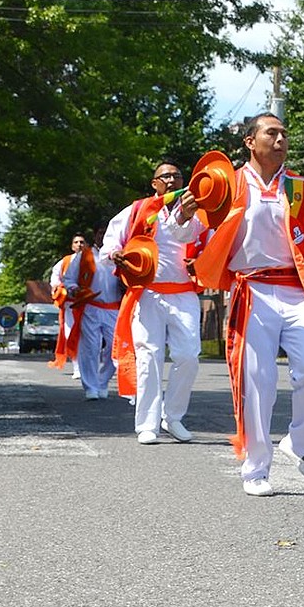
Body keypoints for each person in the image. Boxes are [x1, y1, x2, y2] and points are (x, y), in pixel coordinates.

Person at [192, 113, 304, 498]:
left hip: (296, 291)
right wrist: (184, 217)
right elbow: (196, 229)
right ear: (250, 141)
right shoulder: (227, 183)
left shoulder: (300, 189)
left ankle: (299, 444)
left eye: (284, 133)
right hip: (253, 292)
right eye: (272, 132)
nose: (280, 139)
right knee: (259, 382)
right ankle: (255, 469)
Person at [102, 159, 206, 444]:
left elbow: (209, 245)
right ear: (155, 183)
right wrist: (114, 255)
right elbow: (112, 241)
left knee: (188, 356)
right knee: (149, 356)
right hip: (147, 293)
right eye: (165, 176)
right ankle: (147, 424)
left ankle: (172, 416)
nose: (172, 180)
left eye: (177, 175)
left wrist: (204, 262)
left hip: (184, 292)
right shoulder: (138, 209)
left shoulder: (197, 212)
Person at [63, 225, 122, 401]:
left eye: (106, 233)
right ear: (95, 235)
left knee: (114, 349)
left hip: (113, 308)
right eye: (100, 233)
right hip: (91, 307)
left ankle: (102, 382)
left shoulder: (119, 255)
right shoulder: (85, 256)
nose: (103, 236)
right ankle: (91, 387)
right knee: (90, 348)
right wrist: (74, 289)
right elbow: (69, 278)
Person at [49, 233, 89, 379]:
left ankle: (90, 367)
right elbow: (55, 277)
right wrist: (58, 287)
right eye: (76, 242)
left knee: (89, 336)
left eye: (82, 242)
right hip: (70, 306)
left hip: (89, 305)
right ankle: (77, 368)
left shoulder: (93, 260)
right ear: (72, 246)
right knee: (71, 335)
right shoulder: (65, 261)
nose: (79, 244)